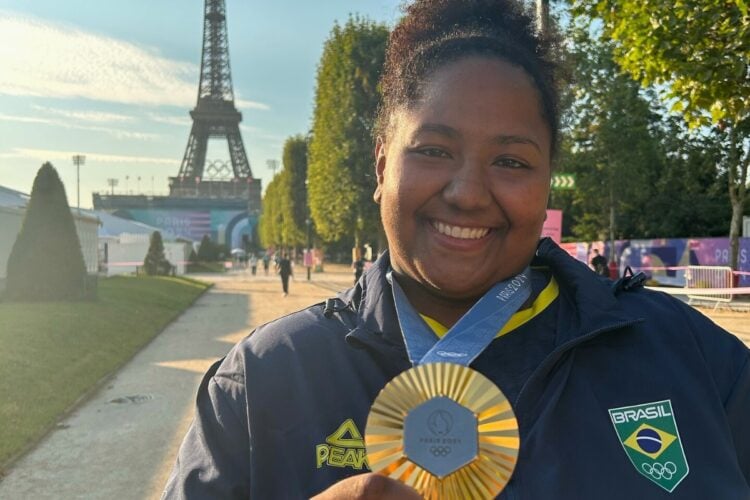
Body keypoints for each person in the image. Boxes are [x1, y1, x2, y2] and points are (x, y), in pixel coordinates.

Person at [163, 1, 750, 498]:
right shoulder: (260, 382)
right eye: (433, 150)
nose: (468, 194)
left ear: (547, 181)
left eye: (511, 161)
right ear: (381, 164)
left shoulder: (701, 364)